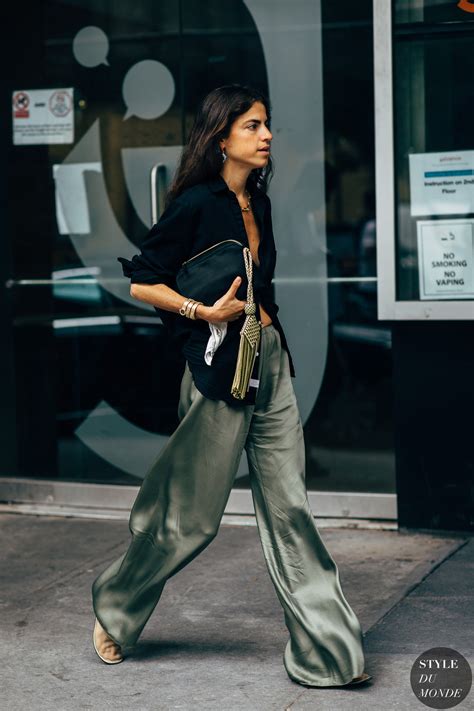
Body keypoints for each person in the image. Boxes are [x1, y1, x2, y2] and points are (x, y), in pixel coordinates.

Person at [91, 84, 371, 688]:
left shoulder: (258, 203)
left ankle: (327, 651)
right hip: (220, 369)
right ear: (222, 138)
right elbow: (144, 281)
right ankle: (116, 605)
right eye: (252, 126)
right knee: (193, 518)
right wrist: (201, 312)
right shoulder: (195, 204)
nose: (266, 135)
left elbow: (258, 289)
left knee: (290, 506)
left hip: (267, 361)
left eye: (266, 124)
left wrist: (273, 347)